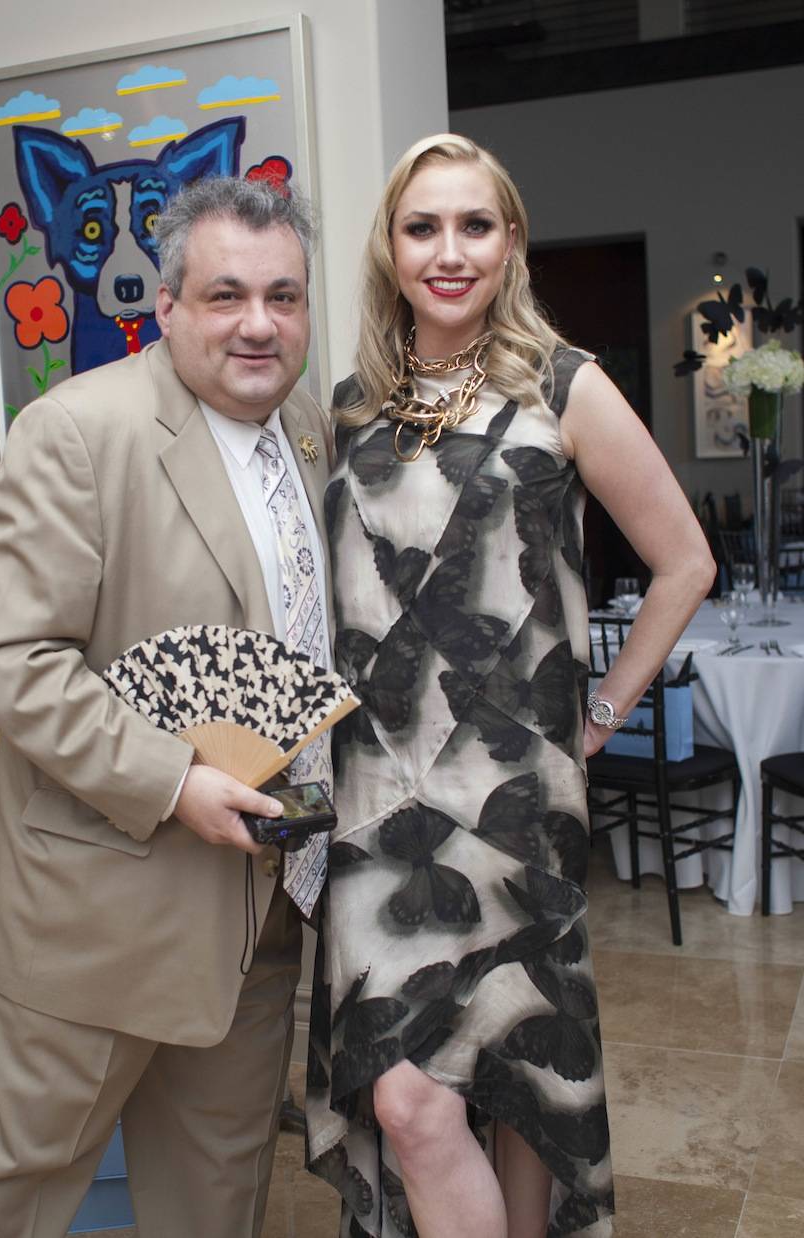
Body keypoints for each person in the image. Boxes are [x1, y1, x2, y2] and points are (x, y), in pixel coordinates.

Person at [305, 134, 714, 1238]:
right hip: (376, 805)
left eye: (473, 225)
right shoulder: (349, 408)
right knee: (409, 1100)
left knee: (518, 1066)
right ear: (390, 250)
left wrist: (600, 714)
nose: (449, 251)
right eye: (422, 227)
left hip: (515, 795)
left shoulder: (562, 385)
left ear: (510, 242)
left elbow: (684, 562)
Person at [0, 177, 334, 1238]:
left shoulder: (307, 430)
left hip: (259, 906)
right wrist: (173, 779)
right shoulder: (78, 430)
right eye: (226, 295)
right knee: (8, 1189)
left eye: (284, 296)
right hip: (100, 913)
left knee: (218, 1195)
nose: (258, 324)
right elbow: (6, 655)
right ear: (167, 306)